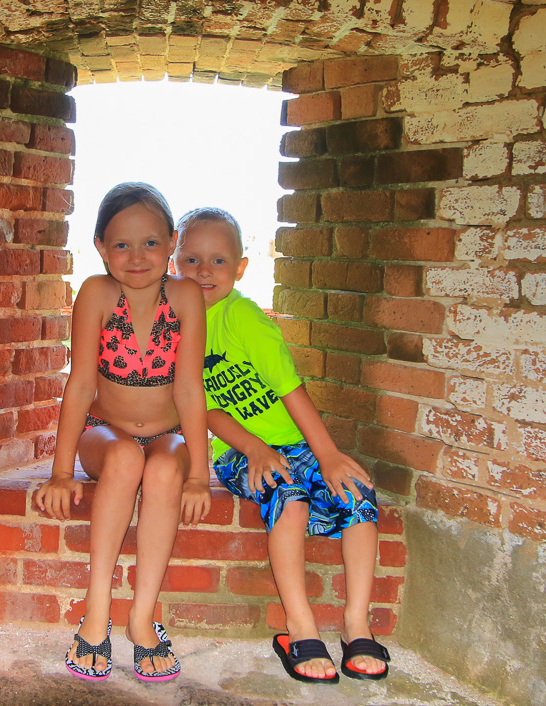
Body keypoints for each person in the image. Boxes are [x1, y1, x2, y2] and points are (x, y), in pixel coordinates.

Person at [171, 207, 390, 684]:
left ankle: (356, 624)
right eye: (190, 259)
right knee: (288, 498)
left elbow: (292, 391)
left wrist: (328, 455)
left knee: (357, 493)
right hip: (235, 451)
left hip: (295, 441)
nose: (203, 271)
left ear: (241, 268)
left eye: (218, 261)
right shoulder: (175, 323)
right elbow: (203, 409)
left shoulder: (244, 319)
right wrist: (252, 447)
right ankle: (300, 626)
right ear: (173, 260)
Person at [35, 183, 211, 683]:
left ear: (172, 242)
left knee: (158, 469)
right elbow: (82, 383)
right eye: (121, 245)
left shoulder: (184, 296)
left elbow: (190, 389)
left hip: (168, 434)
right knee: (127, 459)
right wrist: (61, 471)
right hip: (104, 431)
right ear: (99, 246)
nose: (137, 257)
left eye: (151, 243)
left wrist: (198, 474)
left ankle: (142, 618)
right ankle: (96, 616)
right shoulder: (95, 293)